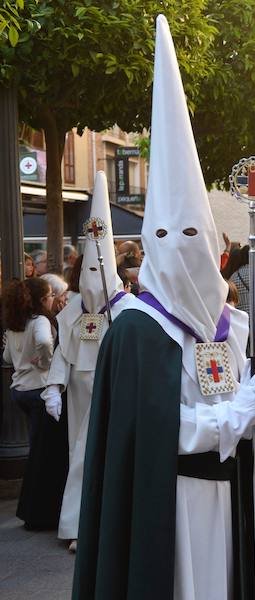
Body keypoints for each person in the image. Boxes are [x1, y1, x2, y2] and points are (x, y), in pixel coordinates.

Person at [73, 17, 255, 599]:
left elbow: (238, 407)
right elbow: (155, 430)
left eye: (199, 235)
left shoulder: (234, 322)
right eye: (172, 236)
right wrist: (234, 415)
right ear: (151, 245)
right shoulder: (138, 332)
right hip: (168, 504)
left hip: (233, 497)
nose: (186, 251)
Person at [43, 172, 129, 551]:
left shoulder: (128, 308)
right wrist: (53, 386)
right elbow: (63, 349)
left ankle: (104, 525)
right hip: (79, 393)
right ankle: (77, 523)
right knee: (80, 452)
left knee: (105, 455)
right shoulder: (73, 306)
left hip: (114, 390)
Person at [2, 277, 67, 532]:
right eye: (51, 295)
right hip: (38, 389)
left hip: (19, 391)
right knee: (42, 453)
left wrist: (25, 358)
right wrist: (44, 361)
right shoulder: (40, 321)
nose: (54, 299)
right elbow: (44, 342)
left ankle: (31, 508)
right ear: (42, 299)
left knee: (35, 449)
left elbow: (7, 356)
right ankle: (38, 511)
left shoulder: (14, 324)